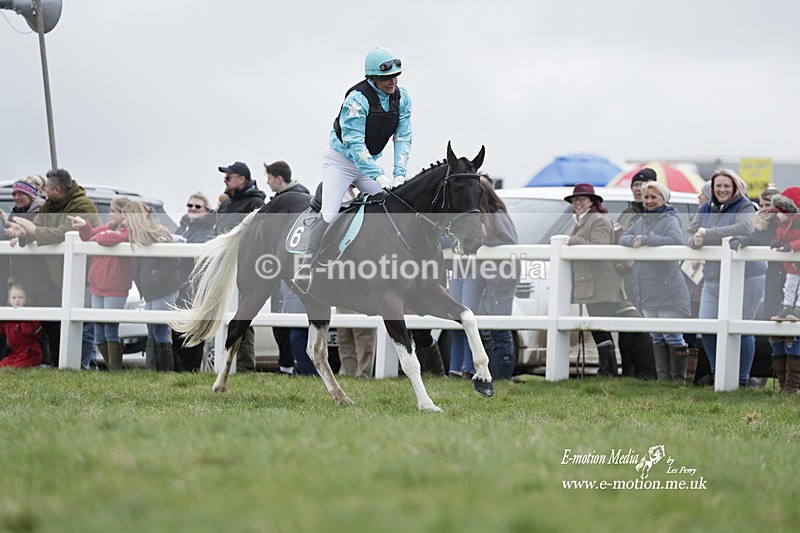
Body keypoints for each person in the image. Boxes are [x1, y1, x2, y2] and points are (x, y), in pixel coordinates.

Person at [293, 46, 412, 292]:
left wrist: (399, 174)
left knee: (389, 202)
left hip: (367, 162)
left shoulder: (403, 98)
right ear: (372, 78)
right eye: (387, 78)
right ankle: (306, 266)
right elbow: (355, 143)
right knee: (330, 212)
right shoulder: (356, 100)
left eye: (395, 76)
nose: (393, 81)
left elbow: (403, 138)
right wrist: (379, 175)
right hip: (341, 161)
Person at [4, 169, 101, 368]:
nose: (43, 191)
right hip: (64, 274)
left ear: (56, 189)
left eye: (46, 187)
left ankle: (84, 365)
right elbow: (37, 227)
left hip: (86, 273)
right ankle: (71, 365)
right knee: (68, 322)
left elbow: (64, 232)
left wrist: (33, 231)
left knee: (85, 325)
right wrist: (21, 233)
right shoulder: (52, 204)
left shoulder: (82, 205)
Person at [686, 169, 766, 387]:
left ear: (735, 187)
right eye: (717, 186)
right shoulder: (705, 208)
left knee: (742, 327)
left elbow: (745, 227)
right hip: (713, 277)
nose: (721, 190)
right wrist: (695, 242)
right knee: (708, 327)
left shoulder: (745, 206)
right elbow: (690, 233)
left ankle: (741, 379)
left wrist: (707, 234)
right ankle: (718, 373)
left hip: (747, 277)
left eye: (726, 186)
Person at [619, 182, 691, 381]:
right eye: (646, 197)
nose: (649, 201)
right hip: (646, 287)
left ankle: (678, 381)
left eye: (653, 197)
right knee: (657, 336)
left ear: (663, 199)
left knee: (672, 335)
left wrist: (646, 240)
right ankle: (663, 380)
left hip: (666, 286)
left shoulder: (670, 219)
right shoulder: (642, 220)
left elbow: (676, 240)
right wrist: (636, 239)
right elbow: (623, 237)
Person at [565, 183, 626, 377]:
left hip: (601, 283)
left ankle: (608, 369)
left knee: (600, 329)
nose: (577, 203)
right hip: (593, 283)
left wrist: (573, 241)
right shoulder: (583, 220)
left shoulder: (597, 220)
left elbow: (599, 248)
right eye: (575, 200)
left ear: (592, 201)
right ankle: (607, 369)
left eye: (581, 199)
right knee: (599, 329)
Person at [69, 197, 133, 371]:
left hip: (115, 288)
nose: (110, 213)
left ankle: (114, 369)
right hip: (98, 286)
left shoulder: (130, 230)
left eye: (114, 210)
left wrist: (99, 236)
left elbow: (107, 239)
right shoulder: (109, 227)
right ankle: (111, 367)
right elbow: (90, 236)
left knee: (110, 329)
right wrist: (84, 225)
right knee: (98, 331)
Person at [215, 161, 266, 371]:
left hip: (244, 266)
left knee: (243, 314)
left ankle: (245, 364)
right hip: (226, 265)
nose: (225, 181)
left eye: (228, 177)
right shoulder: (227, 204)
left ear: (241, 180)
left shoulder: (255, 203)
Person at [263, 160, 311, 375]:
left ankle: (305, 370)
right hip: (282, 270)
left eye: (270, 178)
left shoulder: (297, 200)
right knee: (283, 325)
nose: (267, 182)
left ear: (279, 178)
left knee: (296, 328)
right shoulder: (282, 201)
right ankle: (289, 368)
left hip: (294, 270)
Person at [124, 200, 181, 371]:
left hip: (163, 289)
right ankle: (153, 370)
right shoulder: (140, 236)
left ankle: (163, 371)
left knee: (160, 330)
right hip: (151, 290)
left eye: (127, 217)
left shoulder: (157, 234)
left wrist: (152, 278)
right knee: (152, 330)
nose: (125, 221)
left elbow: (173, 263)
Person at [612, 168, 657, 380]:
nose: (638, 189)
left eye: (643, 185)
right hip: (626, 276)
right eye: (635, 185)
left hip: (648, 277)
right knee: (626, 324)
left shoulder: (656, 212)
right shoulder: (629, 211)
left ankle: (646, 371)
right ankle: (628, 369)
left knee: (644, 325)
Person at [477, 175, 520, 380]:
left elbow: (509, 240)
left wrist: (485, 242)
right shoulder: (489, 213)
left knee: (501, 330)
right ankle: (497, 375)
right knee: (495, 330)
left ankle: (503, 376)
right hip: (494, 276)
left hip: (504, 276)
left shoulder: (497, 212)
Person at [172, 192, 215, 371]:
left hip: (196, 285)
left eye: (198, 206)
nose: (193, 209)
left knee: (194, 330)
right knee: (177, 330)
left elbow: (204, 251)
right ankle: (179, 369)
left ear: (206, 210)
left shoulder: (209, 230)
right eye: (190, 205)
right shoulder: (182, 227)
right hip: (178, 284)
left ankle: (192, 370)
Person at [0, 284, 44, 368]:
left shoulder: (30, 315)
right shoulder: (8, 316)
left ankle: (41, 365)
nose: (17, 300)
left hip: (31, 352)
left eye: (20, 297)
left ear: (26, 300)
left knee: (16, 366)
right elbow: (2, 329)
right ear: (9, 300)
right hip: (16, 352)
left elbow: (28, 331)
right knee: (3, 365)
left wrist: (22, 315)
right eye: (14, 298)